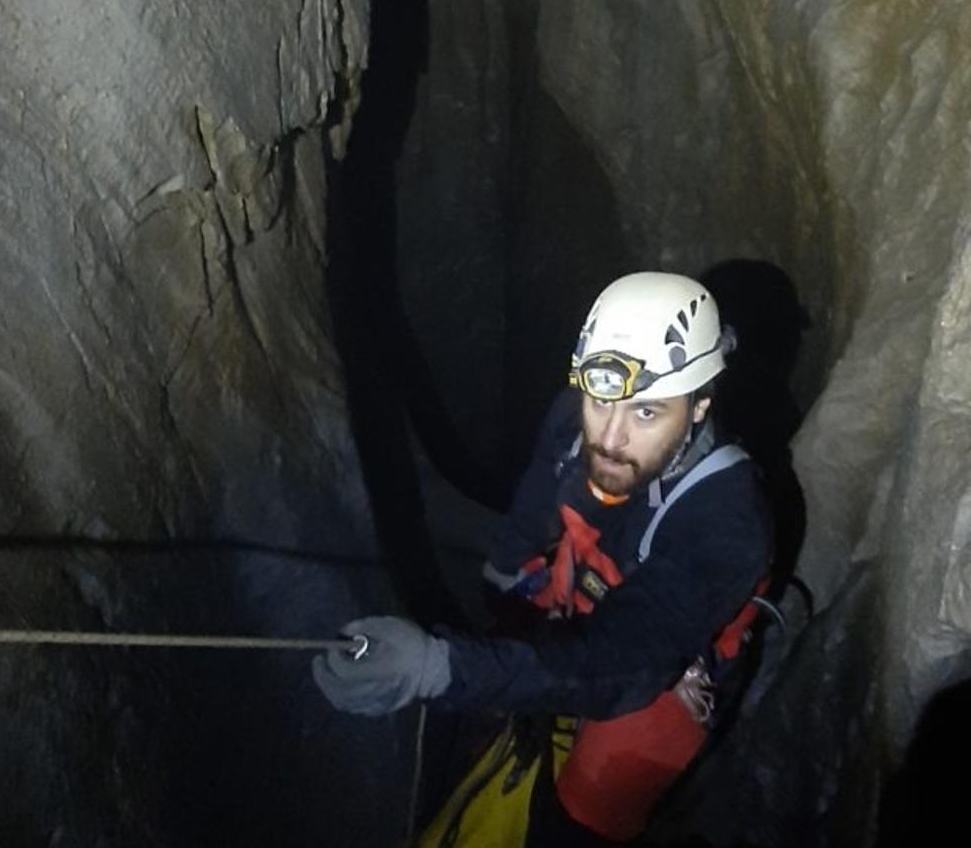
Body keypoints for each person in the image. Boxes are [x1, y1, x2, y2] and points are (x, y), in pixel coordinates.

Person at [313, 272, 773, 845]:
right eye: (600, 400)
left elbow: (626, 662)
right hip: (590, 581)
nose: (612, 435)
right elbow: (533, 512)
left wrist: (442, 668)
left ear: (700, 406)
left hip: (657, 666)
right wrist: (502, 611)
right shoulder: (578, 417)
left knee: (587, 811)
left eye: (648, 414)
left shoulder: (725, 519)